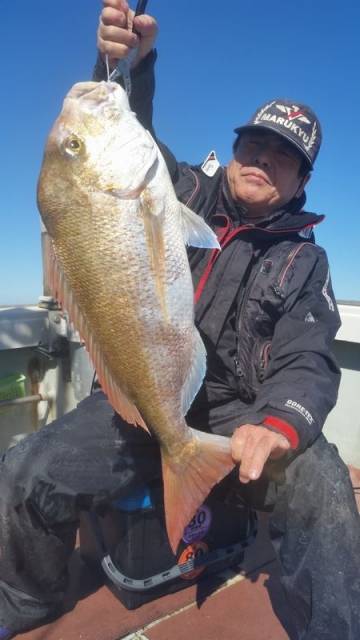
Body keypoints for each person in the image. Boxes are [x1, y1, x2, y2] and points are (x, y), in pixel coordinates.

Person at [0, 2, 359, 638]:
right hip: (143, 397)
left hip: (241, 413)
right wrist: (130, 61)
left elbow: (308, 359)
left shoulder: (305, 260)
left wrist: (278, 425)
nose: (261, 157)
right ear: (237, 144)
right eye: (254, 142)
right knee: (27, 467)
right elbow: (125, 136)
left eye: (283, 156)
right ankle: (24, 605)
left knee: (325, 488)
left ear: (302, 178)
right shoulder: (178, 190)